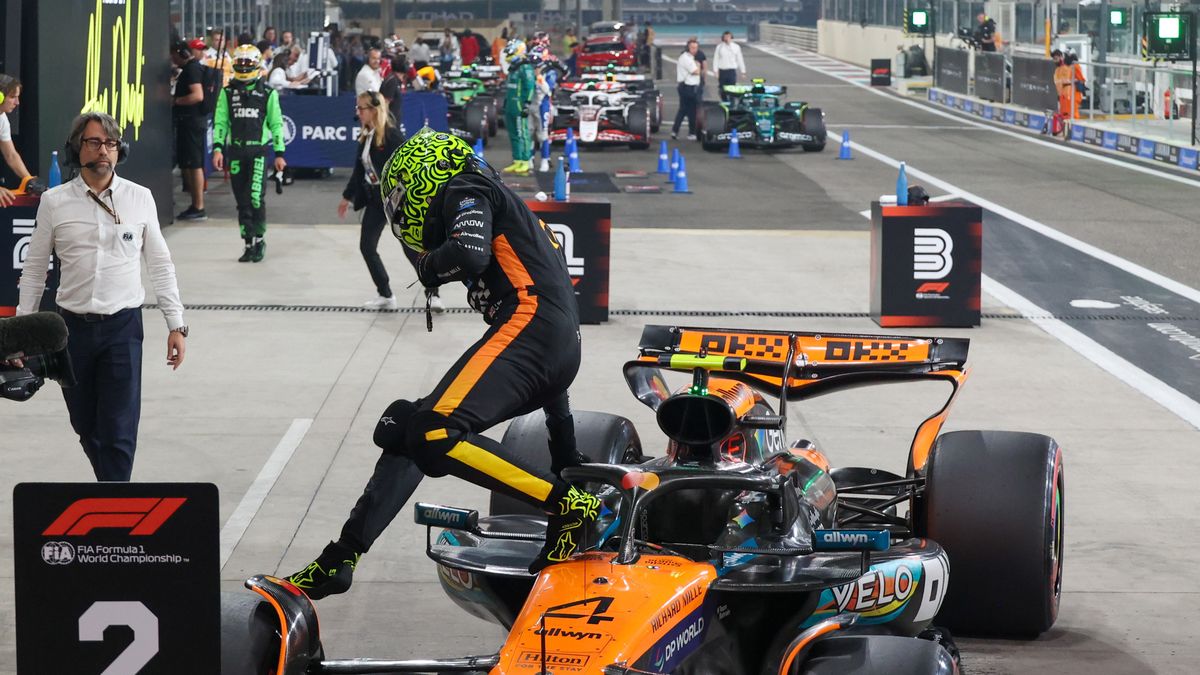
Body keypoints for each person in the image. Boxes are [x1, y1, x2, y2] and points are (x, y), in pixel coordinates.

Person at [285, 128, 595, 599]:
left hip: (534, 327)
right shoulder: (499, 204)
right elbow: (547, 361)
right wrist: (566, 450)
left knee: (433, 431)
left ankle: (570, 506)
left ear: (422, 175)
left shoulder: (465, 187)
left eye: (401, 198)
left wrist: (428, 265)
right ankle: (341, 558)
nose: (402, 215)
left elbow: (469, 256)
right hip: (551, 342)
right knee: (407, 429)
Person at [16, 111, 187, 481]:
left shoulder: (139, 198)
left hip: (122, 328)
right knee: (85, 425)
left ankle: (115, 508)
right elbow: (34, 268)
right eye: (94, 142)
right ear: (77, 149)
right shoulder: (55, 202)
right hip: (70, 331)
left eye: (110, 143)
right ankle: (111, 492)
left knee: (119, 429)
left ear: (120, 149)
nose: (103, 151)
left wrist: (177, 324)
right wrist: (19, 334)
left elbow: (160, 263)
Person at [211, 45, 286, 262]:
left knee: (255, 197)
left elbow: (277, 124)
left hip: (258, 151)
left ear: (256, 65)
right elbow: (220, 121)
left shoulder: (268, 93)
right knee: (241, 200)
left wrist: (280, 153)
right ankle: (248, 242)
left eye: (248, 63)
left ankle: (260, 240)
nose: (243, 67)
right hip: (235, 150)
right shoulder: (227, 92)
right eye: (240, 63)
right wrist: (217, 148)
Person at [171, 39, 207, 221]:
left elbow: (197, 95)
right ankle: (196, 204)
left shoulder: (192, 70)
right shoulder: (191, 69)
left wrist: (176, 101)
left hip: (192, 123)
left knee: (194, 164)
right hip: (190, 123)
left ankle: (198, 206)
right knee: (190, 163)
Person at [502, 39, 535, 173]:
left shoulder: (525, 67)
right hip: (510, 105)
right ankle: (517, 160)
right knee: (513, 134)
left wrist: (527, 104)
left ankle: (526, 161)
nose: (507, 54)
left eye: (510, 50)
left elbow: (530, 87)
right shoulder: (513, 67)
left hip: (519, 106)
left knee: (523, 134)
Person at [0, 74, 31, 207]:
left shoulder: (2, 119)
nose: (17, 103)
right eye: (12, 97)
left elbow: (11, 155)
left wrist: (29, 180)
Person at [672, 39, 701, 141]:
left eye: (696, 48)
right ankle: (691, 133)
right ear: (688, 48)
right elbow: (696, 71)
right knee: (692, 111)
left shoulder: (687, 57)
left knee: (683, 110)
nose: (695, 50)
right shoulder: (687, 58)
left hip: (686, 86)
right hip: (688, 87)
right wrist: (698, 65)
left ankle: (675, 131)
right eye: (692, 48)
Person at [1052, 49, 1073, 121]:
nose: (1055, 61)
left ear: (1061, 57)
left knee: (1066, 115)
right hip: (1061, 95)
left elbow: (1066, 82)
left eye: (1056, 59)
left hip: (1065, 95)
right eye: (1054, 59)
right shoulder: (1058, 69)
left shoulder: (1066, 68)